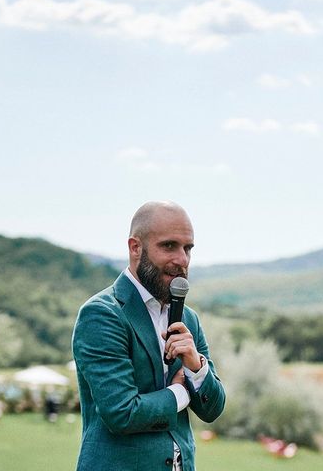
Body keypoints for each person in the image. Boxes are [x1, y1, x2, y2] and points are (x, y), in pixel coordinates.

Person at [72, 201, 226, 471]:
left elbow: (212, 409)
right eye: (169, 246)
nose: (182, 259)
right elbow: (122, 413)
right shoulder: (102, 314)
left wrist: (196, 369)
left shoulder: (189, 318)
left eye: (187, 248)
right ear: (135, 248)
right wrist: (179, 392)